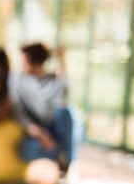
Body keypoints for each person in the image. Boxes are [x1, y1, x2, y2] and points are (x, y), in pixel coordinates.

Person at [9, 42, 82, 177]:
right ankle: (62, 154)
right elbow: (19, 113)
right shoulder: (18, 81)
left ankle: (65, 163)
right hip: (38, 129)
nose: (21, 66)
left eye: (24, 62)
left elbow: (66, 96)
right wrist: (40, 134)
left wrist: (62, 60)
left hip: (57, 127)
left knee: (68, 112)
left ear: (37, 65)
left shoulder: (54, 80)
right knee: (26, 151)